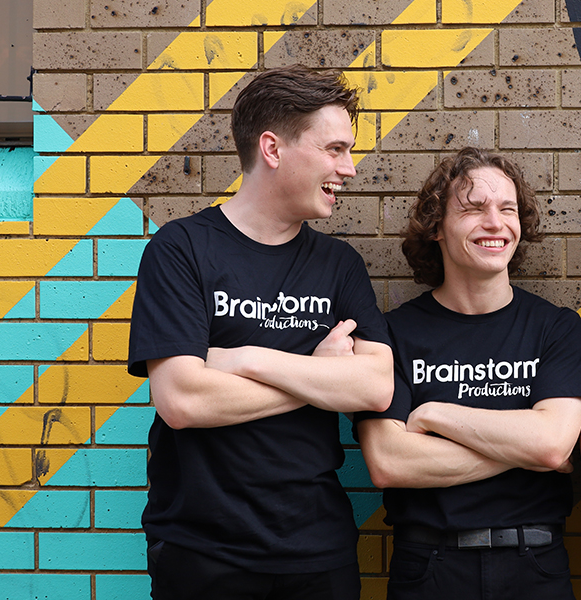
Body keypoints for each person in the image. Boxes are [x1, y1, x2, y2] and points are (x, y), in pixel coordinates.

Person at [127, 65, 394, 600]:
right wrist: (318, 374)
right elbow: (181, 400)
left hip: (317, 551)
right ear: (272, 148)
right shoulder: (181, 251)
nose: (351, 169)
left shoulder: (339, 265)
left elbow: (375, 386)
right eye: (335, 149)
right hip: (202, 552)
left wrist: (245, 357)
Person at [354, 147, 581, 600]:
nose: (496, 222)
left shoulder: (555, 327)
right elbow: (390, 462)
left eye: (508, 209)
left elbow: (551, 443)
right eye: (474, 208)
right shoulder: (393, 334)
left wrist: (434, 414)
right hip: (429, 567)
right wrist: (529, 451)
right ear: (436, 227)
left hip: (534, 564)